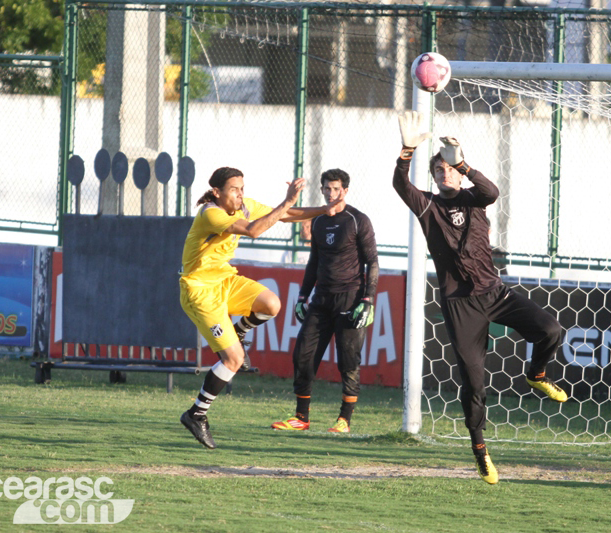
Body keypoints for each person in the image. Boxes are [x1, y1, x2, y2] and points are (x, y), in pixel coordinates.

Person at [393, 111, 568, 484]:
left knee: (551, 330)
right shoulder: (428, 206)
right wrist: (407, 151)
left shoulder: (475, 198)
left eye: (449, 169)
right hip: (460, 307)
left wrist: (465, 163)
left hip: (495, 293)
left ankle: (536, 373)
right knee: (475, 383)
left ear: (458, 170)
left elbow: (492, 191)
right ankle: (480, 451)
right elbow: (399, 184)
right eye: (438, 170)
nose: (443, 174)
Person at [179, 166, 343, 449]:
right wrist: (287, 202)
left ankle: (239, 331)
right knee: (232, 360)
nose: (240, 195)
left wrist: (324, 209)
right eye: (234, 189)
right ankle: (197, 413)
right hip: (201, 291)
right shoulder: (210, 213)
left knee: (272, 304)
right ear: (217, 193)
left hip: (225, 279)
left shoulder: (244, 206)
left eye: (242, 188)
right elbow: (255, 230)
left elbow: (285, 216)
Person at [271, 169, 379, 433]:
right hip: (321, 300)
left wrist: (368, 299)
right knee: (303, 355)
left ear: (345, 191)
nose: (331, 194)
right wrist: (302, 295)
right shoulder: (318, 220)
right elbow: (314, 262)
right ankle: (301, 417)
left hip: (350, 300)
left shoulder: (358, 220)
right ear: (321, 190)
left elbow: (372, 262)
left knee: (348, 361)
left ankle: (344, 420)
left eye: (335, 189)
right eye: (326, 189)